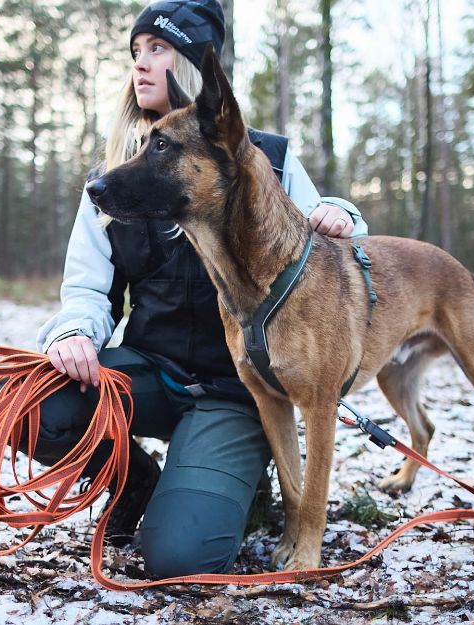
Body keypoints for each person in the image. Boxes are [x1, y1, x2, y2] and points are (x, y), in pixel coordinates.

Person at [34, 0, 368, 578]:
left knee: (180, 558)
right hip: (152, 369)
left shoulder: (265, 157)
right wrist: (72, 333)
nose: (139, 65)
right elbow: (86, 290)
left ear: (191, 63)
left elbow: (325, 234)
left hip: (233, 391)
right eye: (135, 52)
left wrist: (341, 212)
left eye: (156, 50)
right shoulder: (116, 176)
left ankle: (236, 479)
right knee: (25, 406)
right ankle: (137, 481)